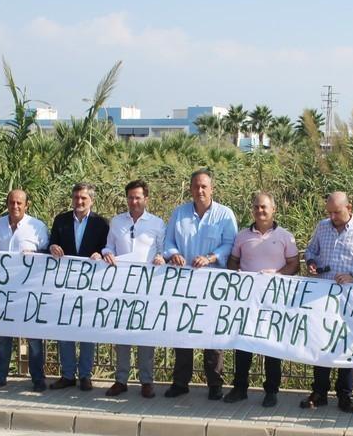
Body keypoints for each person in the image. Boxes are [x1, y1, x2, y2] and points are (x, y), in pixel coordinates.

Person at [162, 169, 238, 400]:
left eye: (204, 186)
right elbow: (168, 241)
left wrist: (212, 257)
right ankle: (180, 382)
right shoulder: (179, 213)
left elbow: (230, 244)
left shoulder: (225, 214)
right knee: (182, 332)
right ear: (191, 189)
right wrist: (173, 254)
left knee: (212, 335)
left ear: (212, 188)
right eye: (196, 186)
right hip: (183, 283)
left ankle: (214, 384)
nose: (200, 190)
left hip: (212, 284)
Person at [303, 191, 353, 413]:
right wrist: (311, 263)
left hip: (350, 300)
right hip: (323, 296)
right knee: (321, 342)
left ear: (349, 208)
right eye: (330, 212)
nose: (333, 216)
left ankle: (345, 394)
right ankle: (319, 392)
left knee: (347, 344)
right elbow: (310, 250)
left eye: (337, 212)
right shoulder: (322, 226)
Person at [224, 191, 299, 408]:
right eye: (256, 207)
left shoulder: (285, 236)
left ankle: (272, 391)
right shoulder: (242, 236)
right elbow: (232, 261)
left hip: (274, 300)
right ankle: (240, 388)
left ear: (273, 209)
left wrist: (277, 275)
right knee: (243, 343)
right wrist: (239, 276)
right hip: (248, 300)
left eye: (264, 207)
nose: (260, 210)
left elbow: (294, 264)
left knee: (271, 345)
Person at [99, 180, 166, 398]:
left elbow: (164, 251)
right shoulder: (116, 222)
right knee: (122, 334)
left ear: (146, 199)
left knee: (145, 335)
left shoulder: (157, 223)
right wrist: (106, 252)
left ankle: (146, 381)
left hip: (147, 287)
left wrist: (160, 257)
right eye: (130, 197)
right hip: (121, 286)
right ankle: (121, 379)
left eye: (138, 197)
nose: (134, 201)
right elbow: (109, 245)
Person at [0, 189, 49, 391]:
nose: (15, 206)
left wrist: (36, 254)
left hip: (29, 292)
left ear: (26, 205)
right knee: (3, 336)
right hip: (4, 291)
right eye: (12, 202)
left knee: (33, 338)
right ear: (7, 203)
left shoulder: (37, 227)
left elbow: (49, 252)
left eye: (20, 203)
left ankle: (38, 379)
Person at [49, 182, 109, 391]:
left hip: (90, 285)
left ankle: (85, 375)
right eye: (76, 197)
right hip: (64, 284)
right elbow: (52, 243)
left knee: (87, 331)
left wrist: (99, 254)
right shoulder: (61, 220)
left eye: (83, 198)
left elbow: (107, 248)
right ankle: (67, 374)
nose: (79, 201)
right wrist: (52, 247)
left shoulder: (101, 223)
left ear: (91, 199)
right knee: (64, 329)